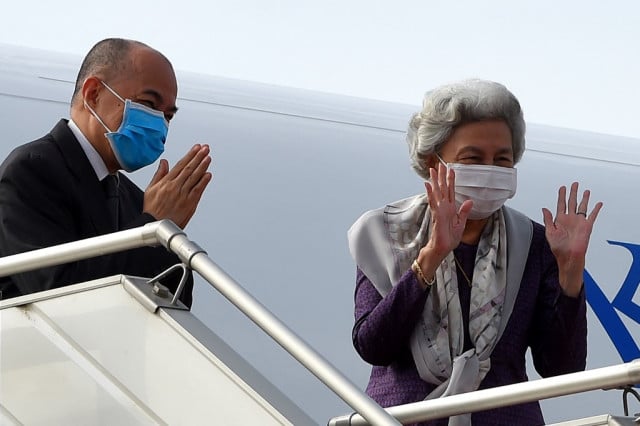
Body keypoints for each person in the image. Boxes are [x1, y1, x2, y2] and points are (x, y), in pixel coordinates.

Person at [347, 79, 603, 425]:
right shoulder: (385, 234)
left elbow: (562, 368)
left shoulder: (533, 243)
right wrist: (432, 255)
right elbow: (373, 346)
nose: (490, 171)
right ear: (431, 161)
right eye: (473, 158)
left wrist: (571, 273)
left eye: (502, 159)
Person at [0, 38, 212, 307]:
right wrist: (152, 227)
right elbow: (56, 292)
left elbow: (173, 300)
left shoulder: (135, 200)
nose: (159, 123)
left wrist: (168, 235)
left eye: (168, 116)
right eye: (147, 103)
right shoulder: (31, 172)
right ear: (93, 94)